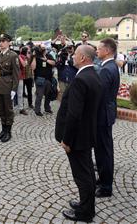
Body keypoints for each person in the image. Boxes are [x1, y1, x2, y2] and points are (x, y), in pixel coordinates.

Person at [55, 45, 102, 222]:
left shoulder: (81, 79)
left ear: (83, 58)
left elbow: (74, 114)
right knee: (88, 171)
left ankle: (85, 213)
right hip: (87, 134)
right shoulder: (93, 75)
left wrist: (67, 140)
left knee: (82, 176)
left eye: (75, 55)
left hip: (77, 138)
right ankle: (86, 204)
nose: (72, 57)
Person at [95, 38, 120, 198]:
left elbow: (100, 95)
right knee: (102, 149)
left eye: (99, 49)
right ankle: (103, 178)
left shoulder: (106, 69)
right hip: (106, 112)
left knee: (104, 151)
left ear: (107, 50)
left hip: (102, 114)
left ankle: (106, 187)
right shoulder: (112, 66)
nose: (97, 51)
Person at [0, 33, 20, 142]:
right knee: (1, 109)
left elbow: (16, 74)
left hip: (7, 86)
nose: (1, 42)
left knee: (8, 110)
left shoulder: (13, 55)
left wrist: (14, 89)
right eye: (0, 41)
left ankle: (8, 132)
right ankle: (3, 130)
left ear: (9, 42)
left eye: (3, 41)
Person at [31, 44, 56, 116]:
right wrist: (34, 57)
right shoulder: (36, 57)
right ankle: (37, 110)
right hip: (39, 79)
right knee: (40, 95)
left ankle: (47, 108)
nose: (43, 50)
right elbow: (33, 68)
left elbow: (54, 63)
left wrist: (46, 60)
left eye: (44, 48)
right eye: (42, 48)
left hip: (48, 78)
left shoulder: (48, 56)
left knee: (48, 94)